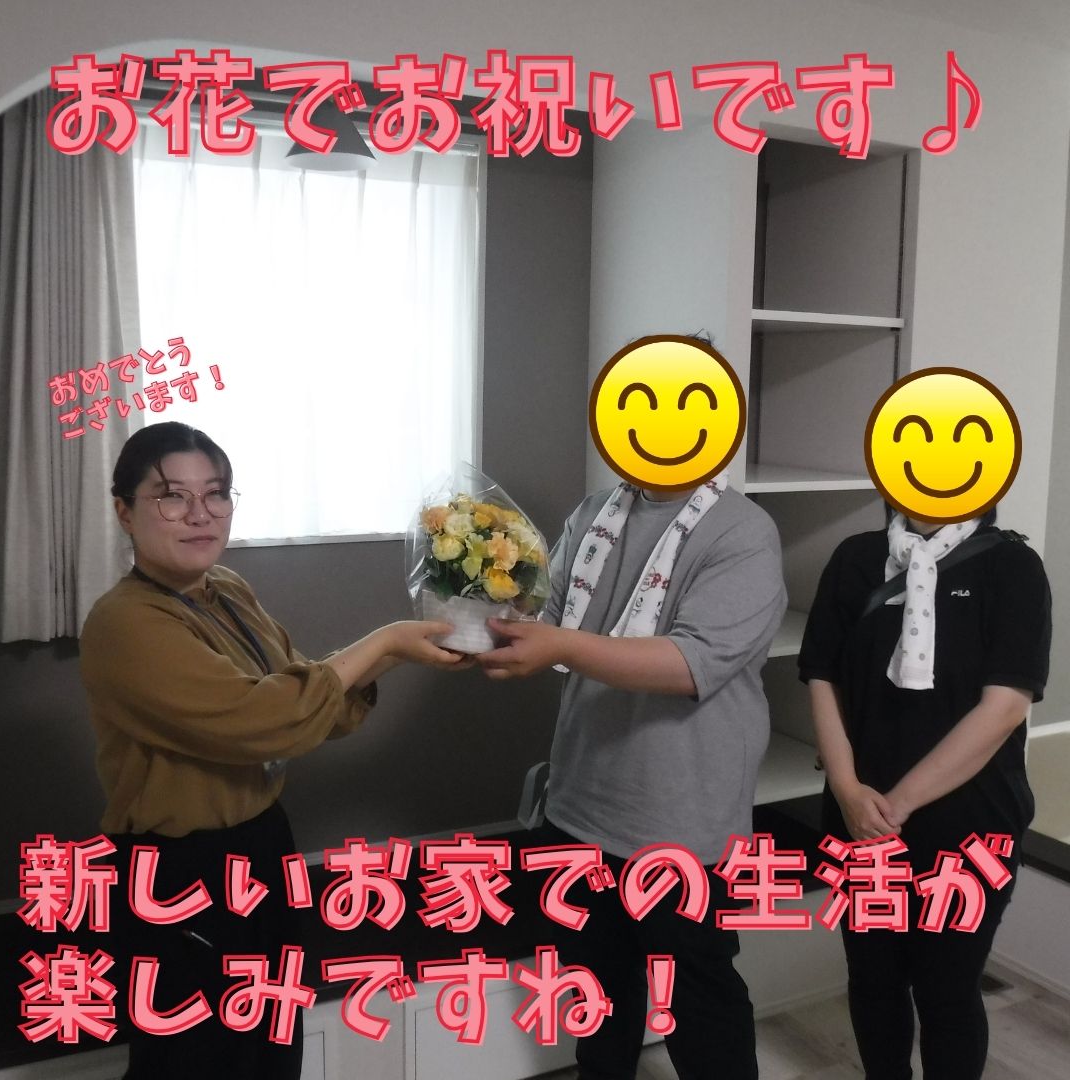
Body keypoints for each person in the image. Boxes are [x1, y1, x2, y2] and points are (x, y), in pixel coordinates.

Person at [79, 421, 464, 1078]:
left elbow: (300, 693)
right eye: (171, 496)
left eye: (216, 493)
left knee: (271, 1040)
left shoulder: (226, 589)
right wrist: (388, 641)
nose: (200, 513)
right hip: (180, 872)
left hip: (261, 846)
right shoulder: (124, 622)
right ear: (124, 512)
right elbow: (262, 718)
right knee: (191, 1058)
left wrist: (406, 650)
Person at [477, 473, 786, 1080]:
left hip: (684, 824)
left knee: (699, 1006)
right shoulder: (593, 513)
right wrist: (478, 599)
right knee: (596, 999)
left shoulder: (743, 532)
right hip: (578, 806)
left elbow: (690, 663)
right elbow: (547, 615)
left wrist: (557, 644)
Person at [798, 508, 1051, 1080]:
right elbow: (821, 675)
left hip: (970, 825)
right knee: (873, 979)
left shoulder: (1012, 566)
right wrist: (847, 789)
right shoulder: (856, 558)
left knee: (948, 989)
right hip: (858, 818)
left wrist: (899, 804)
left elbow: (1005, 706)